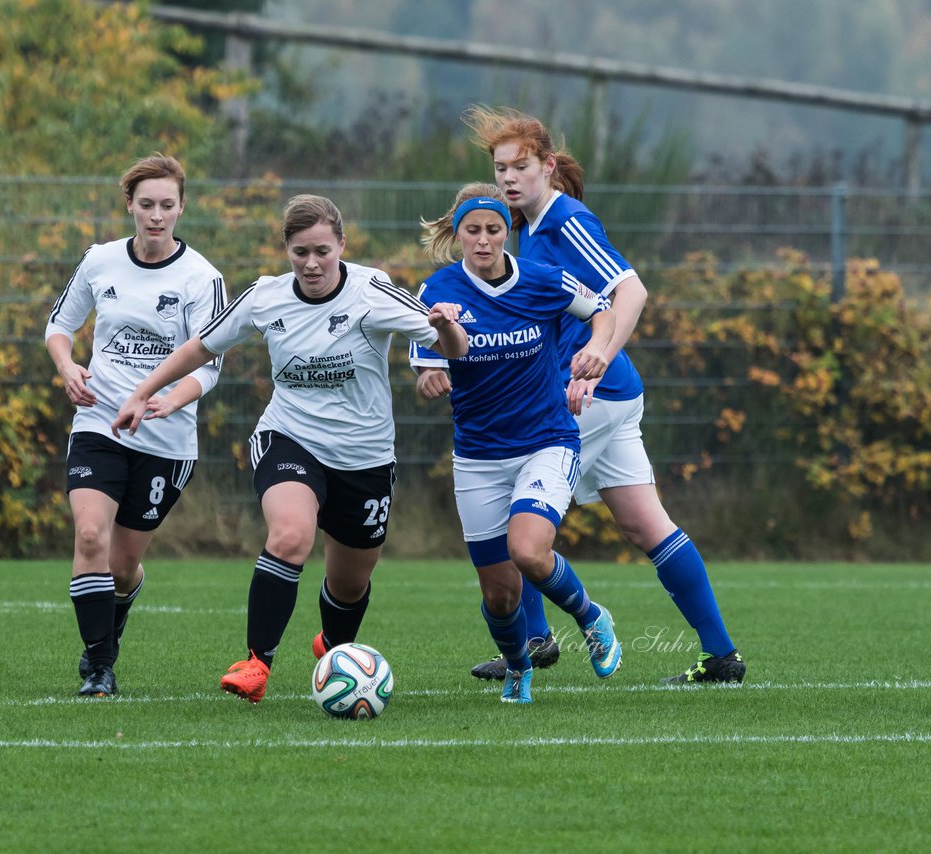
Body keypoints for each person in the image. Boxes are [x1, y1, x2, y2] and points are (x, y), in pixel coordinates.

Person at [114, 194, 468, 704]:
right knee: (290, 534)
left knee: (349, 585)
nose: (311, 263)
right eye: (300, 252)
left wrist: (445, 326)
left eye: (322, 250)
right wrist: (145, 392)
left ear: (341, 246)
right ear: (287, 250)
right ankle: (257, 662)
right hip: (289, 438)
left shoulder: (374, 291)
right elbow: (201, 346)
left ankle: (336, 647)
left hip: (365, 457)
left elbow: (453, 349)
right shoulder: (266, 296)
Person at [459, 105, 745, 685]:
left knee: (519, 509)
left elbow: (631, 291)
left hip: (590, 396)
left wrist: (597, 359)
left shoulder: (565, 222)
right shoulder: (532, 227)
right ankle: (721, 657)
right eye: (500, 169)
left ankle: (536, 641)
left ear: (548, 166)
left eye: (520, 166)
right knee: (647, 526)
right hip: (610, 396)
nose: (509, 179)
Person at [411, 182, 623, 705]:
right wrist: (429, 377)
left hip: (547, 442)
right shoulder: (435, 291)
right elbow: (427, 368)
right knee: (499, 595)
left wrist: (598, 346)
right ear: (457, 233)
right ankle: (517, 666)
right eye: (472, 231)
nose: (483, 241)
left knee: (528, 551)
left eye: (494, 230)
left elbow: (604, 308)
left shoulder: (544, 280)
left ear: (509, 231)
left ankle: (591, 618)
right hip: (479, 458)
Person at [44, 154, 228, 698]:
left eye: (166, 206)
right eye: (146, 204)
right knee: (90, 535)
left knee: (123, 568)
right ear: (129, 204)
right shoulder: (99, 261)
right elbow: (60, 325)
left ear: (181, 208)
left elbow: (211, 363)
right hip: (99, 421)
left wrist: (170, 401)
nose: (155, 216)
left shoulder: (203, 277)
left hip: (166, 440)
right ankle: (100, 666)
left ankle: (112, 615)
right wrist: (67, 365)